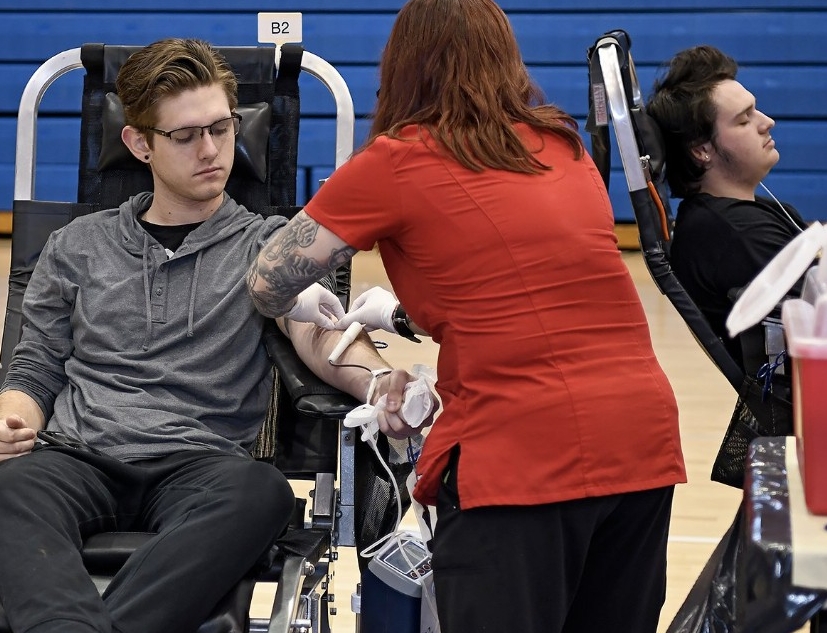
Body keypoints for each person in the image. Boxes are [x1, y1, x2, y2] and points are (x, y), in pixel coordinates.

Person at [246, 1, 687, 631]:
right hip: (640, 440)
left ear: (402, 66)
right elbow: (517, 289)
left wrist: (294, 302)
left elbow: (267, 279)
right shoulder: (562, 147)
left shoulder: (398, 159)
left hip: (523, 453)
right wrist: (400, 315)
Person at [0, 38, 432, 633]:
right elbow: (34, 364)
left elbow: (321, 340)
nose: (212, 149)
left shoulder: (270, 248)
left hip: (205, 466)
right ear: (139, 143)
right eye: (186, 135)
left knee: (263, 495)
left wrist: (378, 385)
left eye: (222, 127)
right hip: (80, 457)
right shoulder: (76, 245)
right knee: (11, 487)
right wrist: (10, 424)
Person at [647, 45, 807, 370]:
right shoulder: (736, 234)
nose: (768, 122)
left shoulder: (734, 218)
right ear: (702, 149)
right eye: (744, 120)